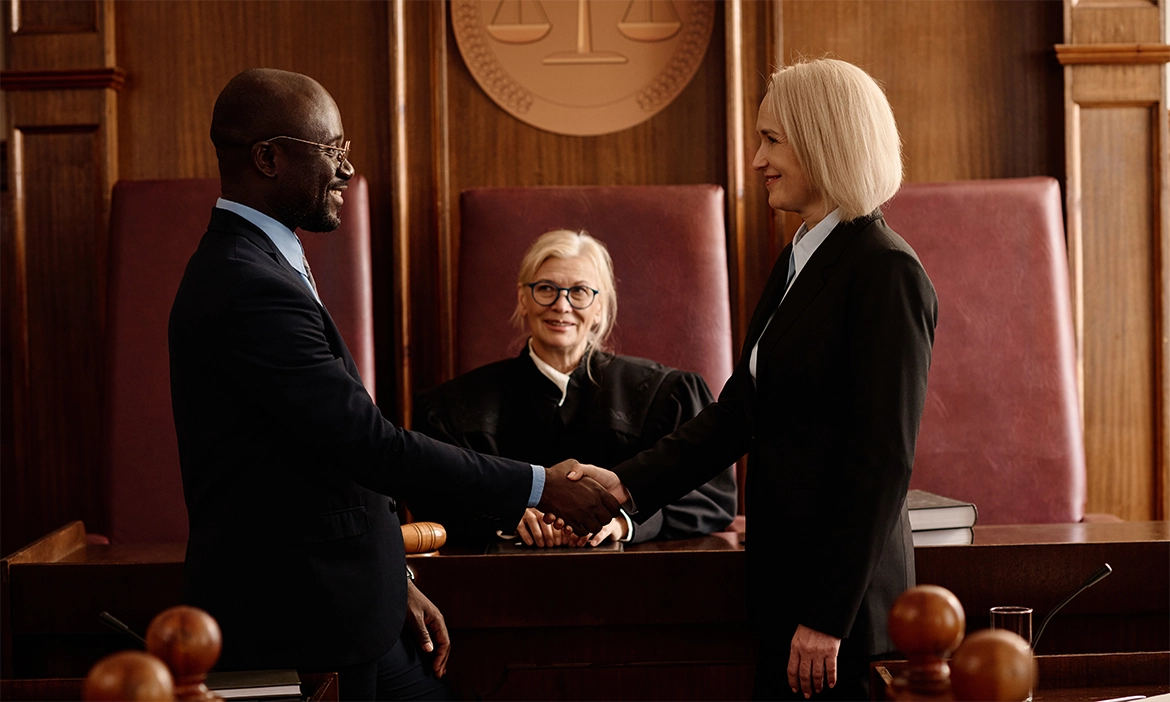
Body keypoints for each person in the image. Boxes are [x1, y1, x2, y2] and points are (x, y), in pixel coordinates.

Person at [168, 68, 620, 701]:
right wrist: (541, 485)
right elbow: (368, 444)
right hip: (302, 623)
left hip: (358, 606)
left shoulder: (266, 263)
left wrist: (392, 577)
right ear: (267, 158)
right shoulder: (246, 284)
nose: (347, 169)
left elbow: (318, 459)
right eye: (332, 150)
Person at [566, 58, 938, 700]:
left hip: (841, 617)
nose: (758, 158)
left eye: (772, 139)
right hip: (785, 592)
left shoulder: (884, 270)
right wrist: (625, 483)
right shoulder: (799, 255)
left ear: (823, 142)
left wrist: (825, 617)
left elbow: (881, 461)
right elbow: (739, 414)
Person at [412, 230, 737, 547]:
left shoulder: (667, 395)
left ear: (600, 308)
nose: (561, 305)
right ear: (523, 299)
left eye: (579, 291)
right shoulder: (452, 408)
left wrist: (622, 522)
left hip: (635, 585)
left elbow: (710, 499)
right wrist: (502, 513)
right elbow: (430, 497)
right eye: (545, 288)